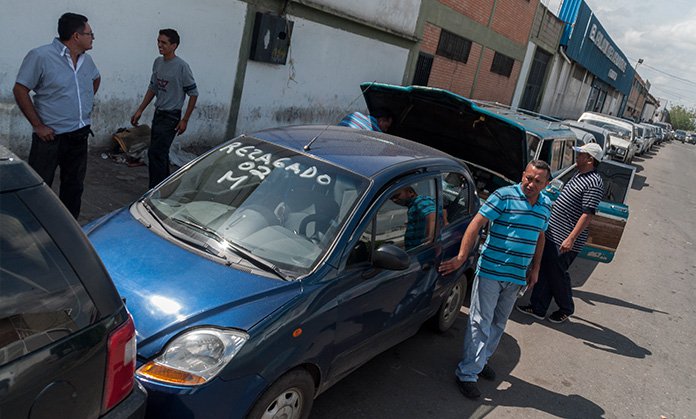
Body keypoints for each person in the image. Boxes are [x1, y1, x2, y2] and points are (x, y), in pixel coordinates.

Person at [439, 160, 552, 399]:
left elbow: (540, 237)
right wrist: (461, 257)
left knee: (499, 322)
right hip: (491, 270)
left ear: (546, 184)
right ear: (523, 175)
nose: (530, 184)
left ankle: (480, 361)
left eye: (537, 181)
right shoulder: (504, 196)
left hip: (517, 276)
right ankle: (467, 373)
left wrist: (536, 269)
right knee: (481, 321)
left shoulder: (545, 206)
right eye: (528, 178)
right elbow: (476, 224)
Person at [13, 12, 100, 219]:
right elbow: (20, 89)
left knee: (74, 188)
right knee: (38, 188)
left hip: (79, 135)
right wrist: (38, 125)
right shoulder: (41, 56)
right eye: (90, 33)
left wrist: (81, 103)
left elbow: (95, 79)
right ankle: (32, 230)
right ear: (76, 36)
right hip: (50, 137)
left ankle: (68, 231)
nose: (93, 37)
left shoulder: (86, 61)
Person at [517, 143, 604, 323]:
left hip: (565, 239)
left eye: (581, 154)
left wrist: (570, 239)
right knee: (546, 271)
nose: (577, 156)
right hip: (553, 233)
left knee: (557, 275)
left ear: (590, 159)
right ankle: (538, 307)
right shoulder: (579, 174)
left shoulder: (594, 182)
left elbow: (587, 214)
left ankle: (566, 308)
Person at [131, 28, 198, 188]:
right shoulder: (158, 62)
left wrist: (185, 120)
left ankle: (155, 189)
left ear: (174, 45)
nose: (160, 45)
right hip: (159, 114)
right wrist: (140, 109)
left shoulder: (182, 67)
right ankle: (163, 188)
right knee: (158, 154)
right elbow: (153, 88)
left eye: (164, 43)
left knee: (156, 153)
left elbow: (193, 93)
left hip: (171, 117)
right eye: (158, 42)